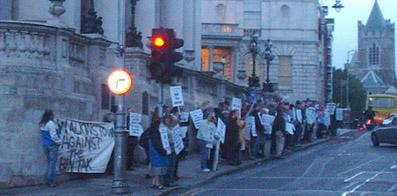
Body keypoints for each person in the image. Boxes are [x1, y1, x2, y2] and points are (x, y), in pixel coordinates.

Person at [39, 109, 61, 187]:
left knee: (50, 163)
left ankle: (49, 180)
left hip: (46, 145)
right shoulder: (51, 123)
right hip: (52, 145)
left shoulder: (42, 124)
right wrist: (59, 142)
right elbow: (54, 136)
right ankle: (51, 181)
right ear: (50, 115)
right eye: (52, 114)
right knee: (52, 164)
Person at [148, 108, 168, 189]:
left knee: (157, 163)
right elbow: (157, 134)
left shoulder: (156, 122)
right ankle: (157, 182)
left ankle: (155, 182)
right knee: (157, 164)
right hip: (156, 143)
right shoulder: (157, 123)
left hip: (155, 142)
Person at [196, 108, 217, 172]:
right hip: (202, 140)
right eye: (211, 116)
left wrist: (214, 140)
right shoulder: (203, 122)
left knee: (209, 154)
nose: (212, 118)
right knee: (204, 153)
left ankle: (209, 166)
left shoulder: (212, 124)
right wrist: (207, 141)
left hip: (209, 140)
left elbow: (214, 132)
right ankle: (203, 167)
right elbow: (202, 133)